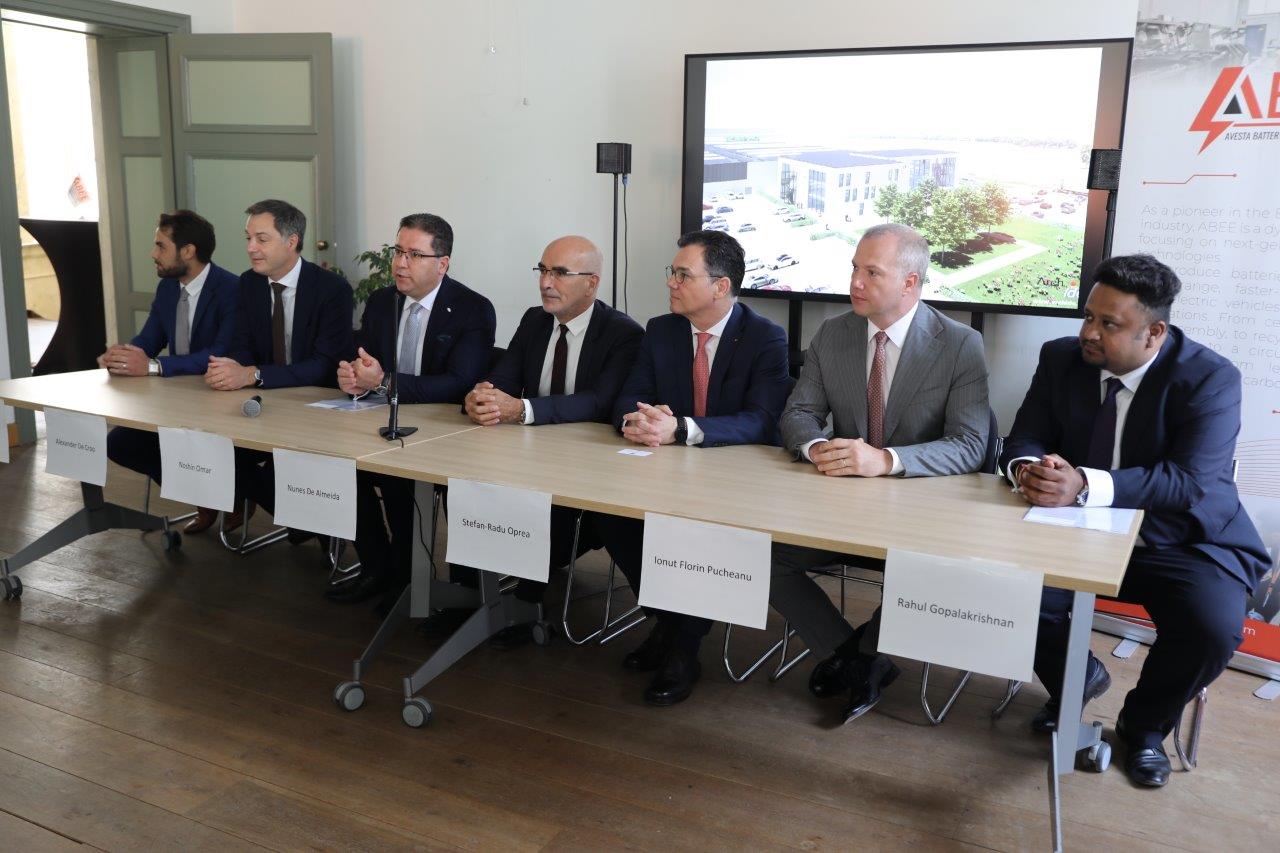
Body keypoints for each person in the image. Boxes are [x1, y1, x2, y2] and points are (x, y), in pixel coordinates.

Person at [1002, 253, 1268, 788]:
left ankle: (1143, 726)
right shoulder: (1061, 358)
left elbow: (1188, 482)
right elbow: (1026, 435)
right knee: (1003, 588)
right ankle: (1075, 681)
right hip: (1075, 534)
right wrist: (1030, 470)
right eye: (1088, 316)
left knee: (1212, 628)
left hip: (1177, 538)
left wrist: (1084, 485)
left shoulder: (1210, 378)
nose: (1089, 333)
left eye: (1109, 324)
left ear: (1154, 333)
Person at [770, 222, 990, 725]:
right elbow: (798, 413)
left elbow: (970, 445)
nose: (855, 282)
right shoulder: (834, 333)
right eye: (854, 269)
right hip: (842, 507)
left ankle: (861, 657)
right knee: (766, 555)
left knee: (928, 572)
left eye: (872, 272)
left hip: (921, 517)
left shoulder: (960, 344)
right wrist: (818, 448)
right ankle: (853, 657)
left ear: (910, 282)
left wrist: (886, 460)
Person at [596, 229, 791, 705]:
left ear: (721, 286)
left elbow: (763, 420)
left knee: (697, 532)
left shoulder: (765, 337)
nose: (671, 283)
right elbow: (628, 397)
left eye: (684, 275)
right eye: (673, 273)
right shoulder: (661, 330)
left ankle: (682, 647)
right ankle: (667, 621)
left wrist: (681, 428)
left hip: (734, 478)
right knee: (612, 517)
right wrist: (637, 420)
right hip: (665, 471)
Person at [462, 235, 643, 644]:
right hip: (529, 456)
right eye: (542, 270)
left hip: (588, 467)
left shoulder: (623, 333)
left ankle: (523, 602)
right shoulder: (534, 320)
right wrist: (482, 398)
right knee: (463, 483)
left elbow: (599, 402)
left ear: (592, 283)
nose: (546, 282)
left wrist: (520, 410)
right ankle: (468, 590)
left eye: (560, 273)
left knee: (550, 512)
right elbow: (504, 379)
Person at [328, 213, 495, 608]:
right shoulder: (381, 302)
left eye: (414, 255)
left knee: (413, 483)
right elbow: (365, 363)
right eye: (398, 251)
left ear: (443, 263)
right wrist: (353, 377)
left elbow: (458, 382)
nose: (400, 263)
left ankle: (457, 595)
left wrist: (383, 382)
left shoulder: (472, 309)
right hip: (388, 425)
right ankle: (378, 567)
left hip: (450, 434)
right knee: (342, 465)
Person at [206, 199, 355, 531]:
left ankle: (313, 528)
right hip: (266, 404)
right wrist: (229, 368)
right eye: (248, 238)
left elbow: (323, 366)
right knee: (212, 448)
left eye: (261, 239)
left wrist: (252, 374)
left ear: (291, 242)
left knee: (279, 470)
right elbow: (242, 346)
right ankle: (302, 524)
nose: (251, 248)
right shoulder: (249, 283)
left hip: (316, 409)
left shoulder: (332, 290)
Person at [100, 210, 239, 533]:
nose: (153, 254)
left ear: (188, 251)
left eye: (161, 246)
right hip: (176, 398)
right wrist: (122, 356)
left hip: (220, 396)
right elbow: (148, 340)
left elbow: (220, 353)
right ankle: (204, 497)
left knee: (200, 444)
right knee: (119, 444)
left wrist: (153, 366)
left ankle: (232, 497)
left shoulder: (232, 289)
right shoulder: (167, 288)